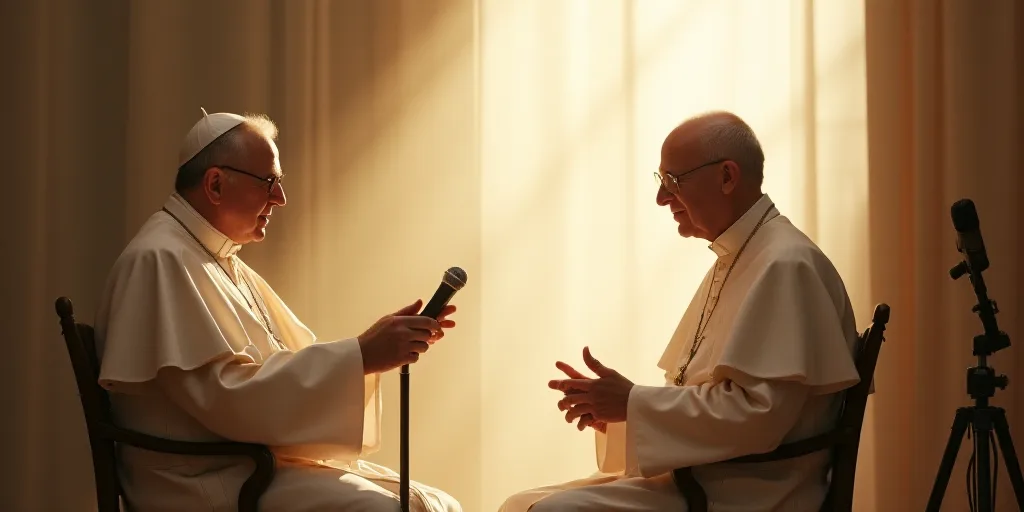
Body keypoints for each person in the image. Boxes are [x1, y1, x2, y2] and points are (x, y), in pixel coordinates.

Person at [94, 108, 461, 511]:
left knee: (438, 504)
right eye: (270, 182)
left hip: (244, 463)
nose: (280, 199)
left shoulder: (217, 260)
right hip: (200, 479)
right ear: (215, 184)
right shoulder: (159, 258)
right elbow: (227, 399)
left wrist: (371, 351)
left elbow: (278, 368)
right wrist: (361, 354)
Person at [499, 111, 862, 511]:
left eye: (673, 182)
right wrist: (624, 417)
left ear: (727, 177)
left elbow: (759, 418)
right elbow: (718, 399)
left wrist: (633, 404)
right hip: (714, 475)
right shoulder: (743, 256)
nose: (661, 198)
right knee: (521, 503)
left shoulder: (785, 264)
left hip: (752, 491)